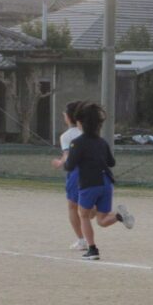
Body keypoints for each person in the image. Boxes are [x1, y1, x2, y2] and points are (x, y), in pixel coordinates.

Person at [63, 101, 134, 260]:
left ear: (80, 123)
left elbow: (69, 166)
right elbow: (111, 163)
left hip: (89, 184)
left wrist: (67, 157)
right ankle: (118, 216)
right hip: (106, 182)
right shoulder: (102, 142)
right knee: (102, 220)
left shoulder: (77, 143)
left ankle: (92, 249)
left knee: (84, 216)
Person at [51, 101, 88, 250]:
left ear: (69, 117)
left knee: (73, 207)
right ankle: (113, 215)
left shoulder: (66, 136)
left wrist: (60, 163)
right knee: (88, 208)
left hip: (76, 172)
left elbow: (68, 155)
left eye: (65, 115)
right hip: (93, 171)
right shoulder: (88, 132)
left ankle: (81, 240)